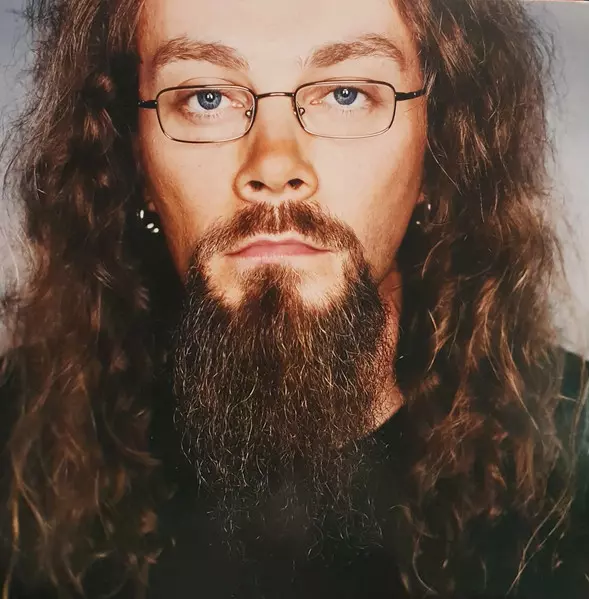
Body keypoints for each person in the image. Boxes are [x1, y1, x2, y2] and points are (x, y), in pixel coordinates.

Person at [0, 0, 588, 596]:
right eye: (207, 97)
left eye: (347, 95)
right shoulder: (17, 437)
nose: (275, 165)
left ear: (437, 148)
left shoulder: (577, 453)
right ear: (136, 158)